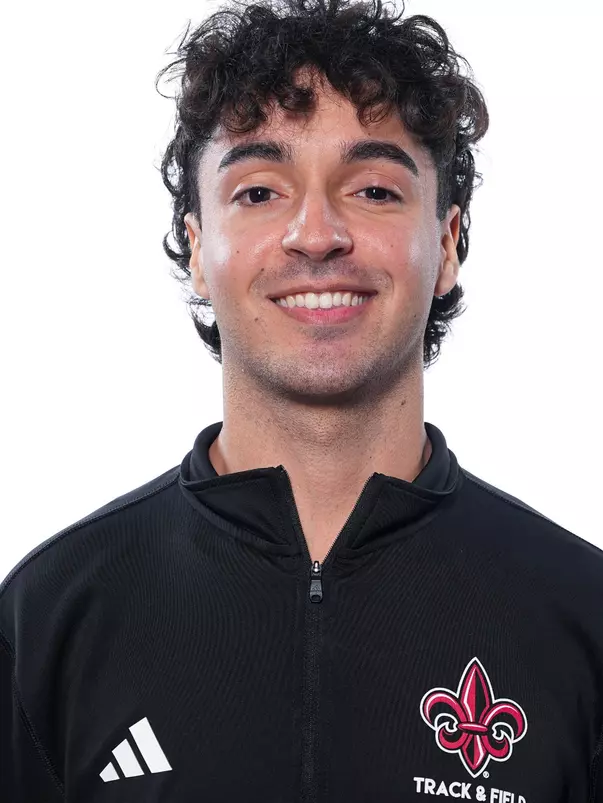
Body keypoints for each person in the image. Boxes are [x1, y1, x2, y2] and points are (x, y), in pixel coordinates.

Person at [1, 0, 602, 799]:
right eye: (258, 193)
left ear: (447, 242)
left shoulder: (580, 616)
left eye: (374, 190)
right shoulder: (50, 616)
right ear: (197, 248)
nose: (316, 235)